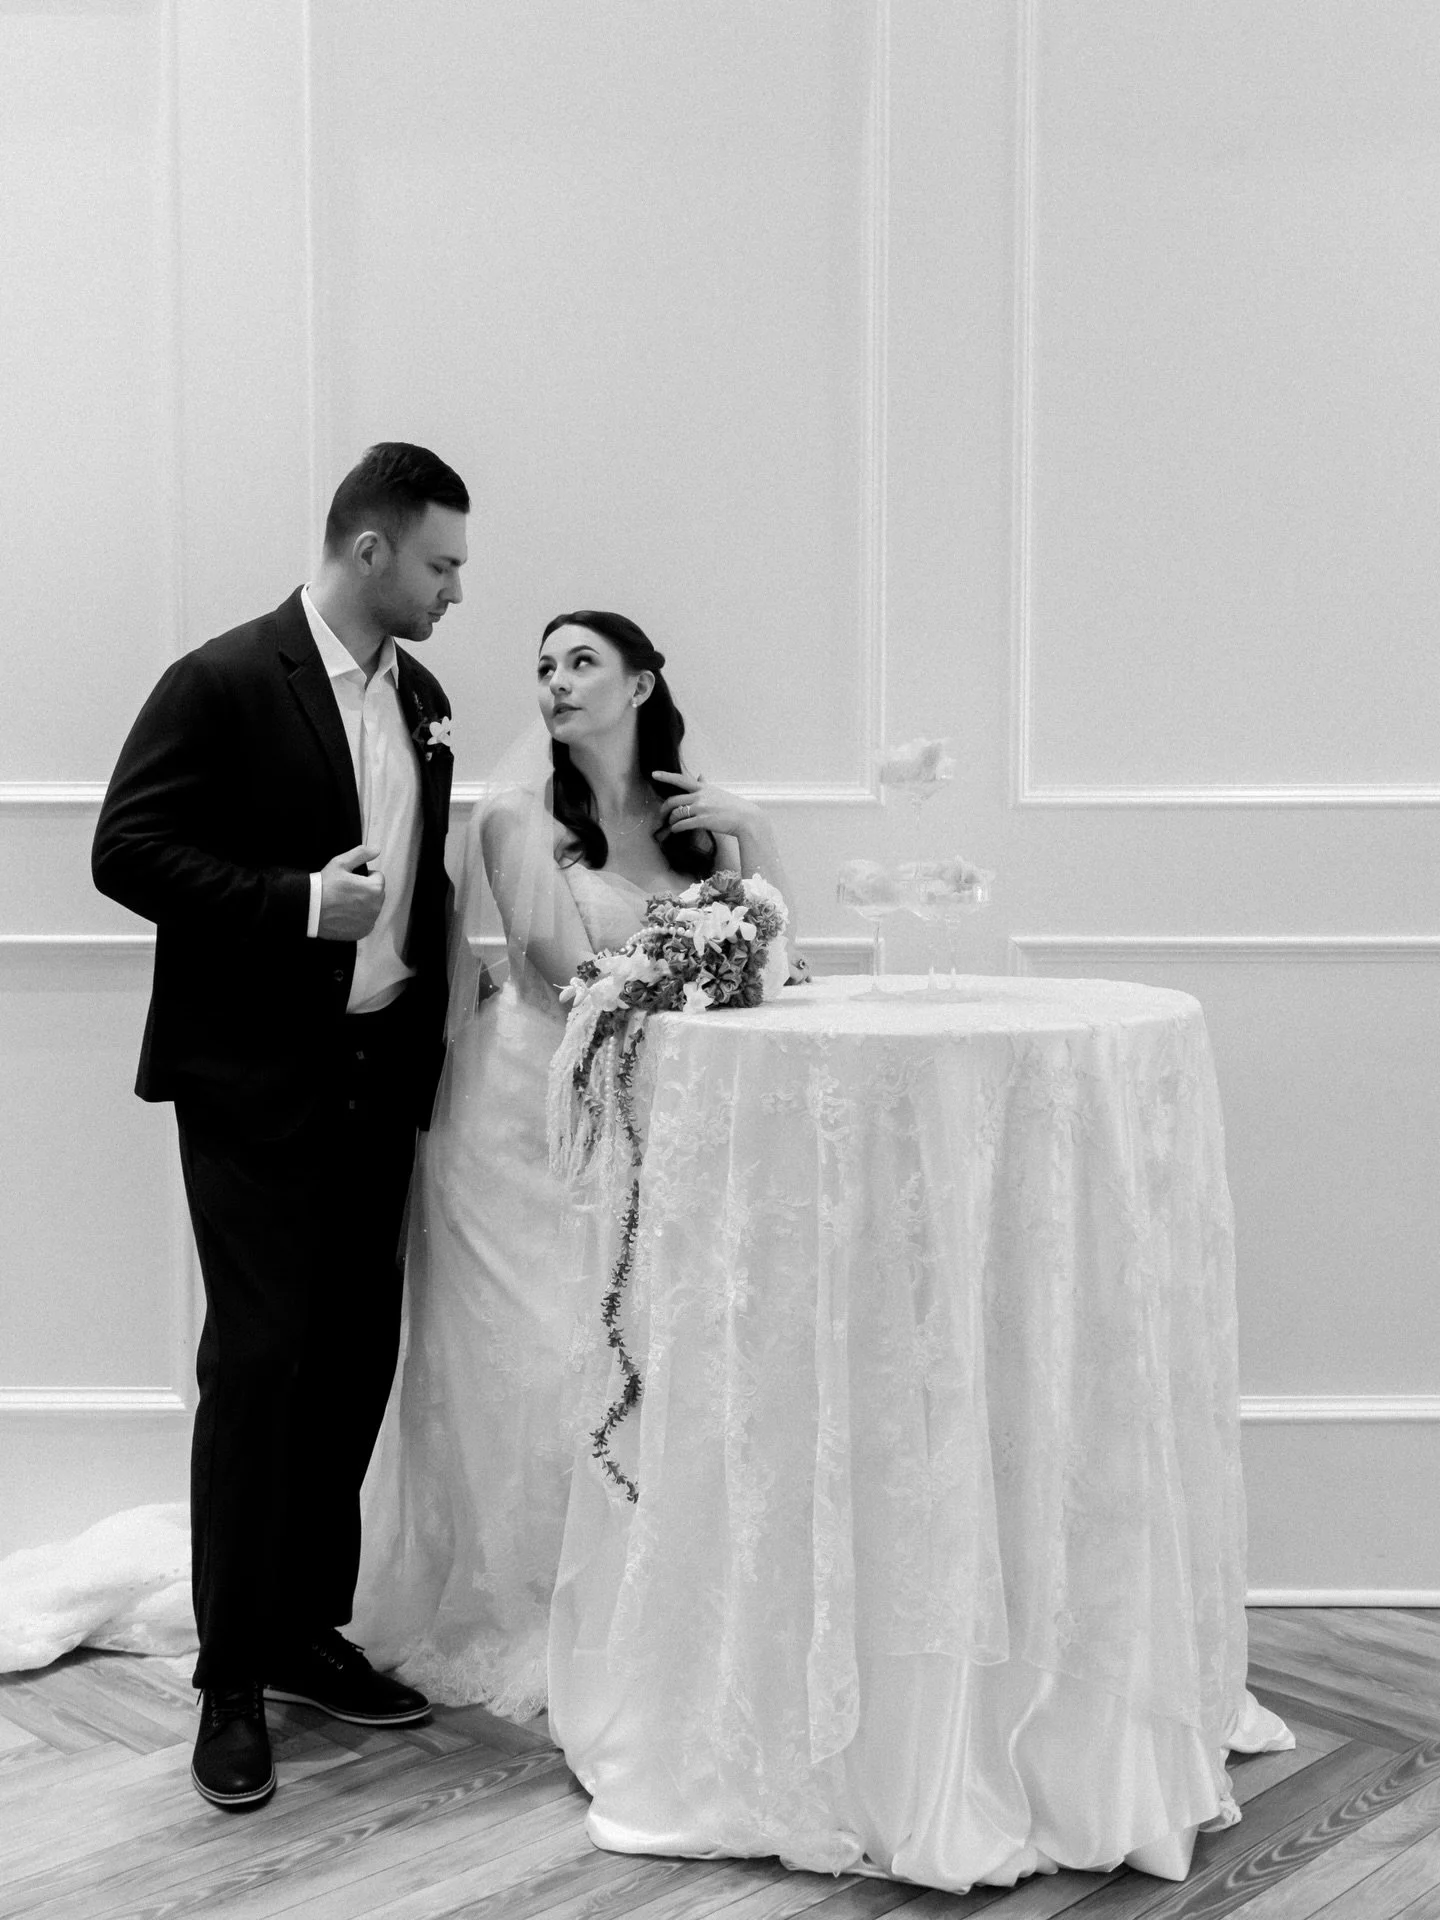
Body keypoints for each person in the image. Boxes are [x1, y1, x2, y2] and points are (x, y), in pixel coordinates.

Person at [91, 442, 469, 1809]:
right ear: (369, 548)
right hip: (254, 1082)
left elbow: (419, 889)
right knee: (257, 1367)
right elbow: (125, 851)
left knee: (353, 1362)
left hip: (379, 1082)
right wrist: (300, 903)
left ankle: (308, 1630)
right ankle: (232, 1678)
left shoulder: (423, 698)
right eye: (440, 564)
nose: (454, 591)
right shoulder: (222, 679)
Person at [353, 609, 799, 1717]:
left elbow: (780, 970)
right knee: (540, 1362)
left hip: (660, 1119)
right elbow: (565, 977)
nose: (554, 681)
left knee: (645, 1355)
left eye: (582, 662)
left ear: (641, 684)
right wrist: (698, 956)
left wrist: (758, 838)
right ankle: (530, 1606)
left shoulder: (701, 828)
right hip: (526, 1117)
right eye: (544, 666)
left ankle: (642, 1600)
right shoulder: (520, 818)